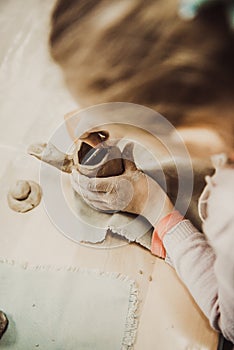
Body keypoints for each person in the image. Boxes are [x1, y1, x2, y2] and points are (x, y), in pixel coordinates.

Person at [49, 0, 234, 343]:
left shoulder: (229, 213)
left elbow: (231, 322)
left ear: (196, 138)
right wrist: (112, 105)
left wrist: (155, 207)